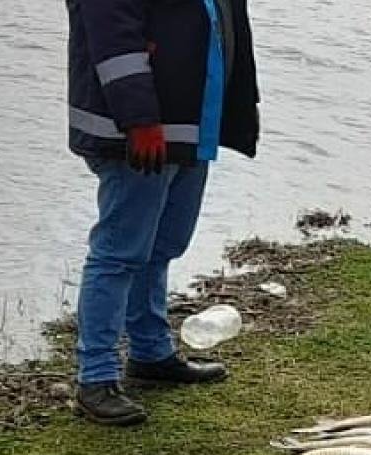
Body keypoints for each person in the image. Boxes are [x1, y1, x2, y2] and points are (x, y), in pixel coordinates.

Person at [66, 0, 260, 426]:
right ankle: (95, 376)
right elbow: (111, 32)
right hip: (139, 130)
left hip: (189, 125)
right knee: (119, 254)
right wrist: (138, 118)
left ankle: (150, 351)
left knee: (162, 244)